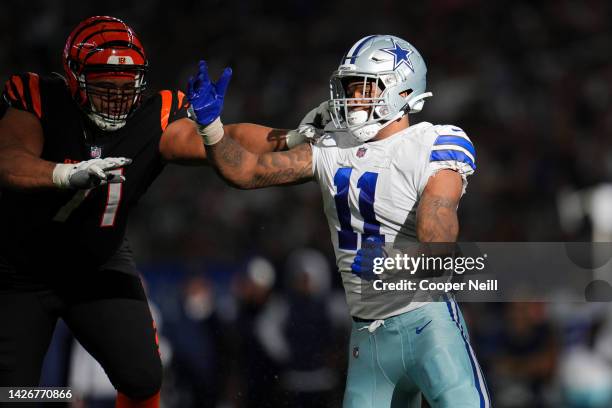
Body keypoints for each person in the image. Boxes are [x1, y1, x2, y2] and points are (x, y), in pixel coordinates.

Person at [0, 15, 309, 408]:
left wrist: (297, 136)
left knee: (143, 378)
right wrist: (64, 173)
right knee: (15, 395)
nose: (117, 97)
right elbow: (8, 159)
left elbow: (228, 139)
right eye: (104, 87)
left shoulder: (154, 113)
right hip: (21, 270)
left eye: (126, 88)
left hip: (97, 263)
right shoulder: (40, 98)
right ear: (75, 80)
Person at [187, 35, 491, 407]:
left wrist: (394, 260)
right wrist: (211, 128)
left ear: (401, 87)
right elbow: (246, 171)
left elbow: (439, 244)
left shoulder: (431, 144)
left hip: (429, 325)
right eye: (348, 88)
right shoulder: (332, 148)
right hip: (369, 339)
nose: (351, 99)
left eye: (362, 87)